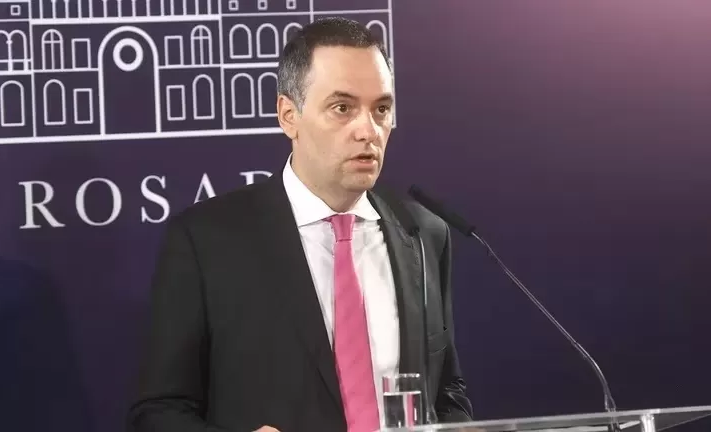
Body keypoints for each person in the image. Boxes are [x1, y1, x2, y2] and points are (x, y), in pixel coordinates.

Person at [127, 17, 472, 432]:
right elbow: (159, 412)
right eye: (343, 108)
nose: (369, 130)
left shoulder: (424, 234)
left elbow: (447, 393)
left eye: (381, 109)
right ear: (288, 115)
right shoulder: (207, 241)